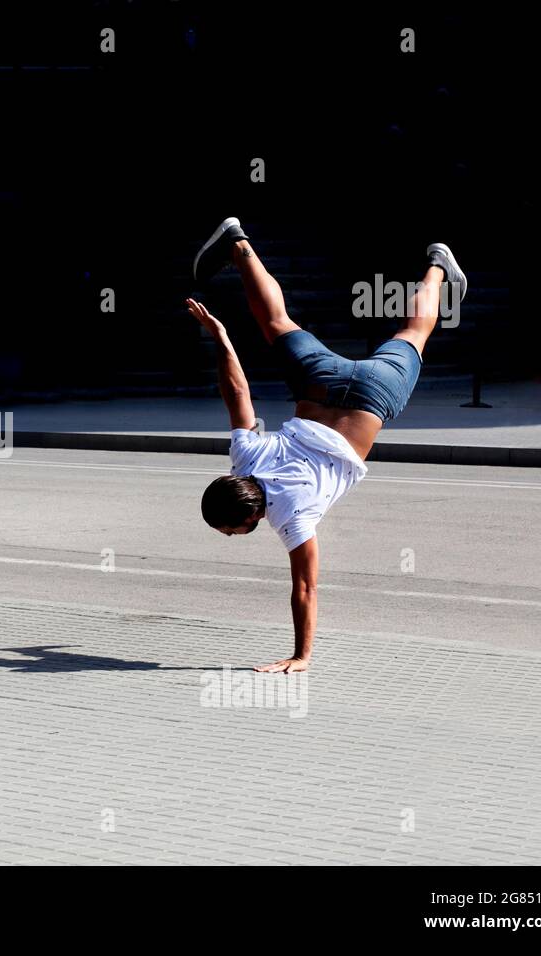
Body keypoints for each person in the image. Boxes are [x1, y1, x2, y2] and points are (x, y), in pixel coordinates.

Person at [190, 217, 466, 673]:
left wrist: (301, 655)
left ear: (249, 517)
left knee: (413, 334)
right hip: (320, 382)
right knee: (277, 322)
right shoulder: (246, 458)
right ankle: (239, 243)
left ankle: (437, 265)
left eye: (230, 532)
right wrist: (221, 339)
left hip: (374, 395)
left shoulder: (291, 518)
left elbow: (305, 588)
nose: (232, 537)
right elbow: (238, 392)